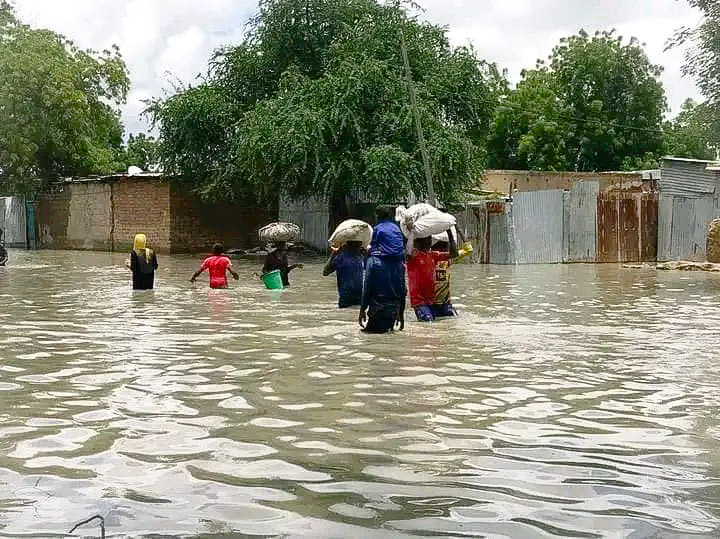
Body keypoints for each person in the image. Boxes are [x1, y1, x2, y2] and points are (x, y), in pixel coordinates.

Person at [359, 205, 406, 333]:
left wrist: (362, 310)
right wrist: (401, 314)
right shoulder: (400, 264)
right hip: (394, 311)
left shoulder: (373, 262)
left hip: (377, 311)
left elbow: (367, 288)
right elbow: (403, 290)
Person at [406, 229, 459, 322]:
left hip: (431, 301)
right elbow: (408, 253)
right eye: (425, 239)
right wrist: (411, 234)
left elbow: (454, 254)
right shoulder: (413, 256)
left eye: (429, 238)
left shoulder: (432, 255)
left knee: (453, 318)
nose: (428, 241)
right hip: (419, 302)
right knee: (428, 321)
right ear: (416, 242)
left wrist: (450, 235)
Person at [323, 241, 365, 308]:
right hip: (356, 296)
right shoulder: (360, 257)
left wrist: (333, 254)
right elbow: (325, 272)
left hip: (349, 296)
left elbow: (325, 272)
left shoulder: (342, 257)